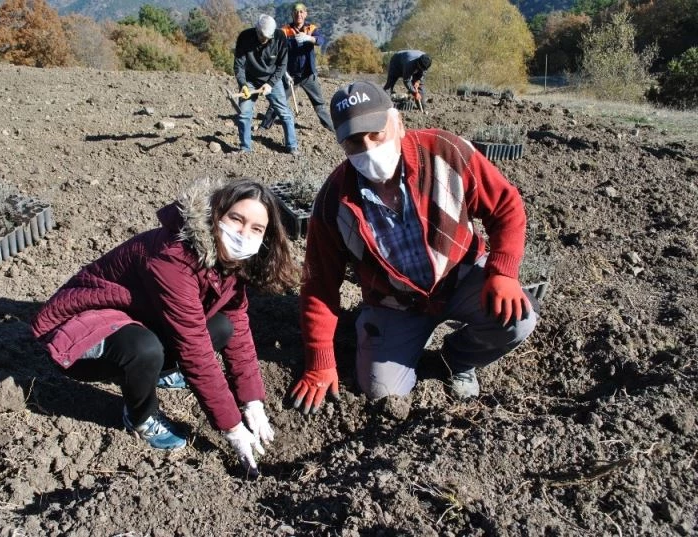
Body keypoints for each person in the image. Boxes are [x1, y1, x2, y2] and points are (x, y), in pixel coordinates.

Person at [289, 81, 539, 414]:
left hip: (460, 278)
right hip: (395, 303)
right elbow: (319, 286)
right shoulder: (335, 201)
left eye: (376, 133)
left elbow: (506, 206)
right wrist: (320, 361)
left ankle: (458, 359)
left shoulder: (444, 153)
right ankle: (379, 333)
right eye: (353, 141)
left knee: (518, 320)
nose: (367, 148)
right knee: (382, 393)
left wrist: (503, 271)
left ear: (398, 123)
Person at [32, 179, 298, 476]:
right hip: (80, 335)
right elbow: (194, 349)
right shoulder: (174, 257)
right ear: (216, 214)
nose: (243, 234)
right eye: (236, 219)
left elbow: (237, 324)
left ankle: (160, 372)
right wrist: (233, 427)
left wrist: (252, 402)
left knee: (222, 327)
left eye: (256, 229)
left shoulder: (232, 262)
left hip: (140, 316)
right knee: (145, 350)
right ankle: (140, 416)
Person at [260, 2, 334, 132]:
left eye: (301, 12)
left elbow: (321, 40)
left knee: (319, 104)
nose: (298, 14)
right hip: (291, 76)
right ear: (292, 14)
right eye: (296, 12)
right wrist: (284, 73)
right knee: (277, 101)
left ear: (305, 14)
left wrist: (308, 38)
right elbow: (276, 49)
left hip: (308, 75)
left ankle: (332, 128)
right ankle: (264, 126)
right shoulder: (285, 30)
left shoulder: (311, 29)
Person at [233, 14, 298, 154]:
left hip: (272, 79)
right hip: (250, 80)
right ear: (256, 29)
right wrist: (243, 84)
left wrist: (270, 84)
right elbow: (239, 65)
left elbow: (282, 64)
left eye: (268, 37)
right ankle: (245, 148)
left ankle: (292, 146)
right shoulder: (245, 37)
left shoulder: (280, 37)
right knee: (244, 113)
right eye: (262, 36)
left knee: (284, 113)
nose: (265, 39)